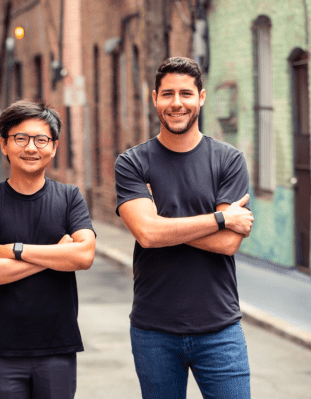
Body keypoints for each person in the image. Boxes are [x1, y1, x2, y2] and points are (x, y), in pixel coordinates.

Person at [115, 57, 255, 398]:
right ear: (154, 98)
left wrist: (161, 221)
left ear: (201, 98)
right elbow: (147, 235)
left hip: (219, 328)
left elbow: (227, 244)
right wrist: (220, 217)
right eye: (167, 94)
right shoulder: (133, 162)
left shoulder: (228, 160)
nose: (176, 103)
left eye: (185, 94)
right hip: (154, 331)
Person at [0, 100, 96, 399]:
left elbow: (84, 255)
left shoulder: (69, 197)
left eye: (41, 139)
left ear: (54, 146)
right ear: (4, 144)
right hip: (0, 352)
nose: (31, 148)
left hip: (57, 349)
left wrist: (15, 250)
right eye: (20, 138)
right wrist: (56, 255)